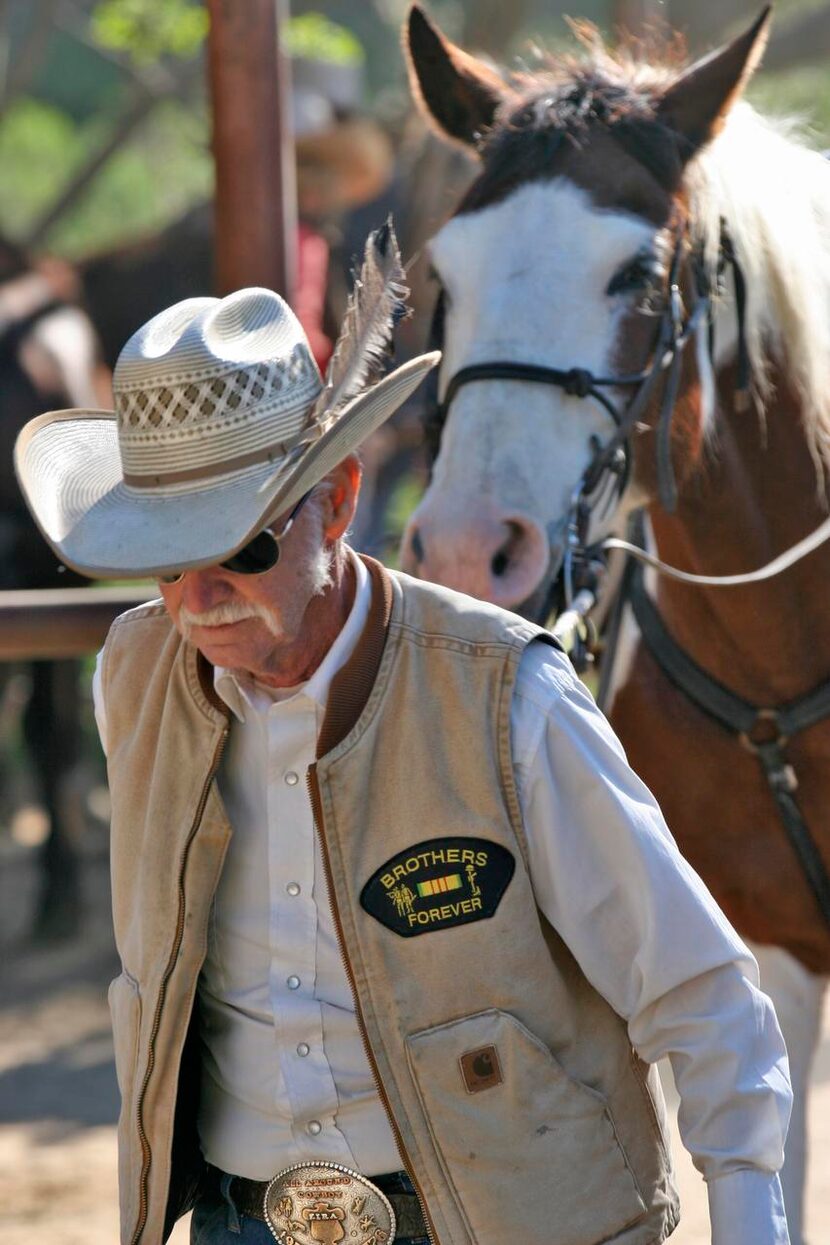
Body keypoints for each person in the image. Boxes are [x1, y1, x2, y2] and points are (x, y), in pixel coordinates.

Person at [15, 225, 792, 1245]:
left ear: (336, 503)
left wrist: (747, 1216)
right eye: (162, 560)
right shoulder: (135, 674)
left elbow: (694, 989)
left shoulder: (504, 694)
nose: (196, 601)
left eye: (238, 547)